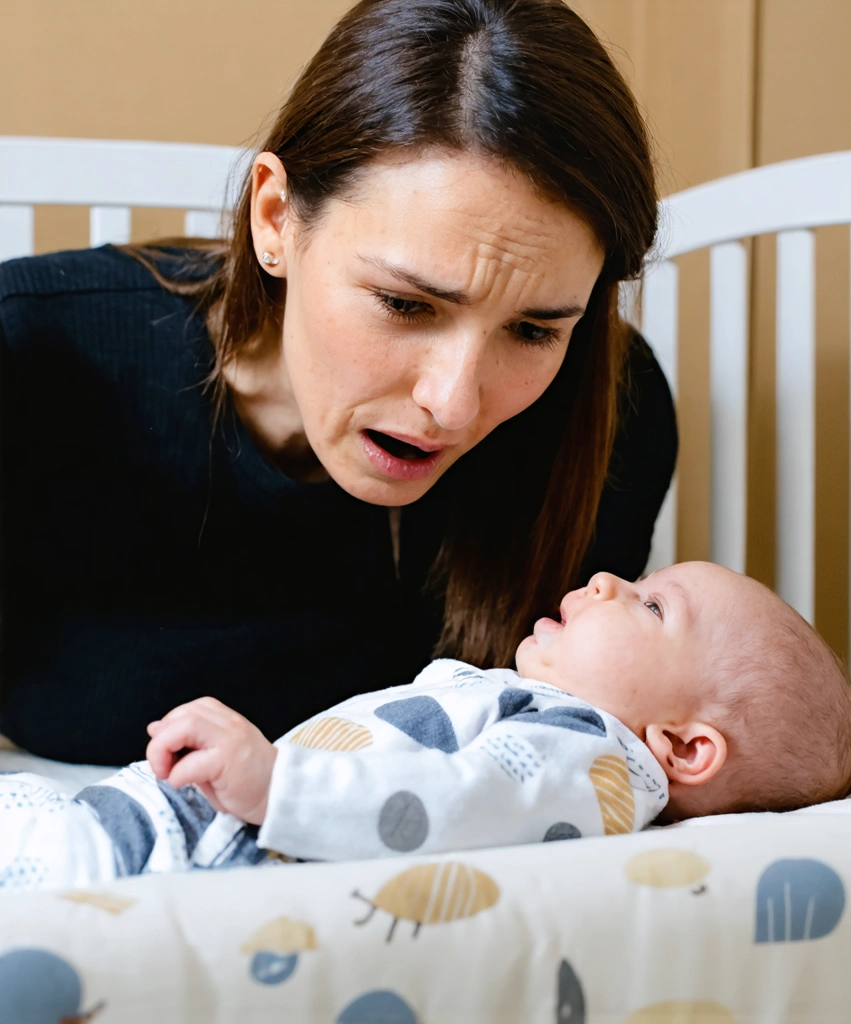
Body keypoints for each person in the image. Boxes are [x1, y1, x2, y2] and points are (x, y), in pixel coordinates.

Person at [0, 0, 676, 767]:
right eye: (404, 304)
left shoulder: (617, 416)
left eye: (533, 330)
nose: (451, 404)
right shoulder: (30, 358)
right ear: (275, 218)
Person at [0, 562, 851, 889]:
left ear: (681, 747)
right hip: (191, 822)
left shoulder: (594, 758)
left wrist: (277, 783)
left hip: (219, 850)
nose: (606, 580)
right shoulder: (555, 720)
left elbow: (455, 805)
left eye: (650, 604)